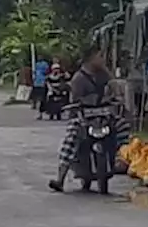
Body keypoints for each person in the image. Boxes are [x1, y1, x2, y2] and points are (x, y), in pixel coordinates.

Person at [48, 46, 131, 192]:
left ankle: (120, 160)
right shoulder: (78, 78)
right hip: (84, 117)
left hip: (104, 116)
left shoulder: (103, 74)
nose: (102, 59)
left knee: (124, 128)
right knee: (71, 138)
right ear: (90, 58)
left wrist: (117, 97)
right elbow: (74, 100)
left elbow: (114, 88)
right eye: (99, 56)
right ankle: (60, 178)